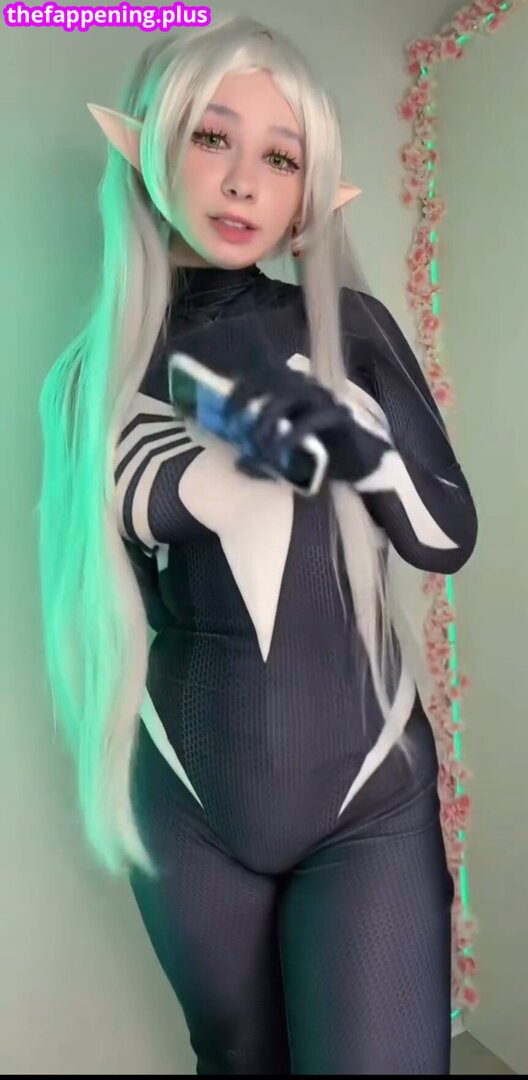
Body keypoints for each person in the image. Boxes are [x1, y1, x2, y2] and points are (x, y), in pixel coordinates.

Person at [37, 15, 478, 1075]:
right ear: (153, 147)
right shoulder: (90, 378)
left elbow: (443, 535)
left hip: (369, 794)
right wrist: (244, 437)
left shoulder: (352, 328)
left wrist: (352, 438)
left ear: (307, 194)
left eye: (280, 158)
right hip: (187, 799)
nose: (242, 180)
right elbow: (154, 505)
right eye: (211, 137)